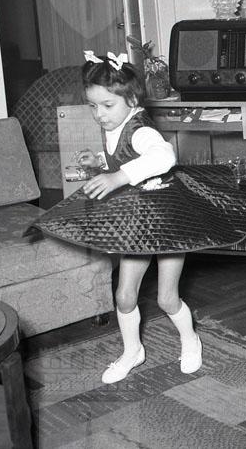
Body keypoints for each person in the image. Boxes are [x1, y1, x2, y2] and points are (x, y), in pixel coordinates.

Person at [76, 50, 202, 384]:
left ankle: (191, 339)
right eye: (92, 106)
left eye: (107, 105)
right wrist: (100, 163)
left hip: (168, 222)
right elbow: (123, 158)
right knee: (124, 296)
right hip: (138, 222)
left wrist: (118, 178)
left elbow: (163, 156)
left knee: (166, 298)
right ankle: (133, 351)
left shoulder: (141, 129)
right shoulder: (114, 125)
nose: (99, 115)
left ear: (131, 100)